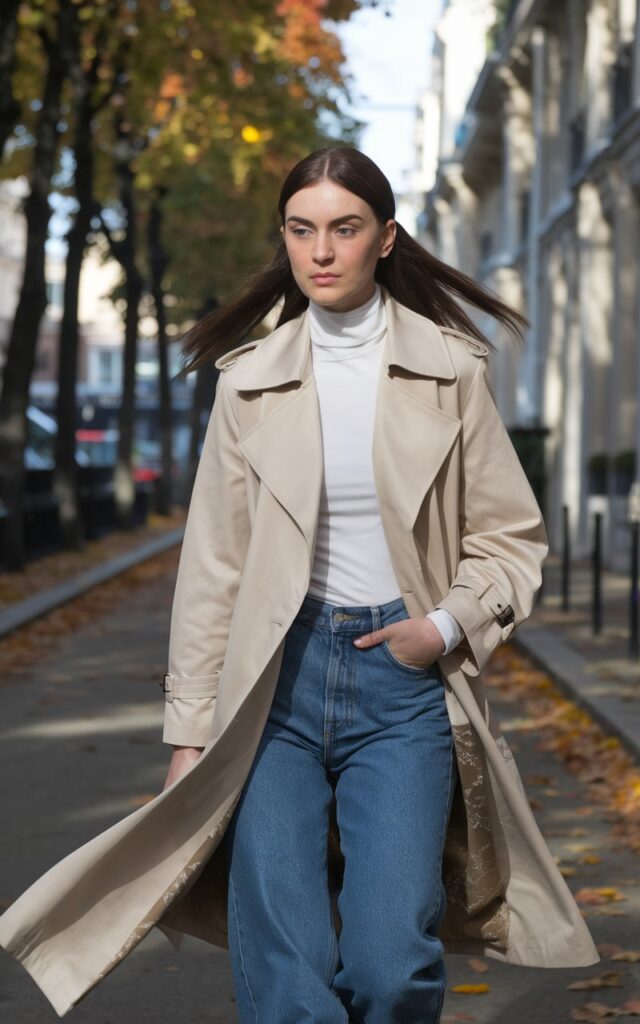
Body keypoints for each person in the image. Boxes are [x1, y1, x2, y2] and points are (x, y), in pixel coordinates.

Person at [160, 145, 538, 1022]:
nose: (321, 251)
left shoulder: (450, 370)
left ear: (385, 239)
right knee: (290, 979)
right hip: (271, 694)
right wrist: (188, 731)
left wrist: (441, 627)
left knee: (390, 966)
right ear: (285, 240)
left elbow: (511, 537)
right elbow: (213, 565)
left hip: (402, 688)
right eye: (302, 230)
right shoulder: (248, 382)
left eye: (344, 228)